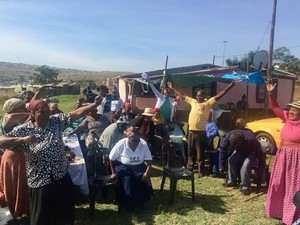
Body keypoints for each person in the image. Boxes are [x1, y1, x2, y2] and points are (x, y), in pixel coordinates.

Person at [0, 96, 103, 225]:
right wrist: (22, 140)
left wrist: (94, 104)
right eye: (41, 113)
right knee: (42, 217)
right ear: (32, 113)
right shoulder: (24, 130)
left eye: (47, 112)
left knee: (64, 215)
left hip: (61, 177)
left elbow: (76, 113)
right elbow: (1, 141)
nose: (45, 116)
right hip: (40, 182)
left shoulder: (56, 121)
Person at [168, 80, 238, 177]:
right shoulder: (192, 101)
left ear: (204, 96)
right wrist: (172, 88)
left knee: (200, 152)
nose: (199, 97)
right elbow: (182, 95)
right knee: (190, 150)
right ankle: (190, 167)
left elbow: (220, 95)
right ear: (196, 96)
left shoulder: (208, 103)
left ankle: (201, 171)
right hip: (191, 131)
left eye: (201, 95)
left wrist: (230, 86)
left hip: (201, 132)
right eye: (198, 95)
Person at [265, 78, 300, 225]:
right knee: (278, 183)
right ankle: (276, 210)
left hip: (297, 159)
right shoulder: (286, 117)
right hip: (283, 156)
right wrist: (270, 94)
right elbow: (275, 107)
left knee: (294, 186)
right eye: (290, 108)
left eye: (295, 109)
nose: (291, 111)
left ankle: (291, 214)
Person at [108, 126, 154, 211]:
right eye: (133, 141)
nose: (135, 143)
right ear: (128, 138)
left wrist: (146, 173)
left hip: (139, 166)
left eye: (137, 141)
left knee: (142, 178)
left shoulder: (143, 143)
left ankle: (141, 202)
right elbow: (111, 158)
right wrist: (113, 173)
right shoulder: (121, 143)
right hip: (123, 166)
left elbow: (149, 160)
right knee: (128, 179)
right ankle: (128, 204)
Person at [0, 98, 30, 217]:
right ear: (15, 109)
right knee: (17, 184)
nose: (24, 109)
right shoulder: (9, 118)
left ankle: (22, 207)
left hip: (16, 155)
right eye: (22, 107)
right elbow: (13, 117)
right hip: (15, 157)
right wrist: (32, 113)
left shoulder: (13, 118)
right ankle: (16, 208)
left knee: (19, 184)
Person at [218, 130, 265, 195]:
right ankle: (232, 182)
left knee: (245, 165)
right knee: (231, 160)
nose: (235, 146)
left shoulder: (251, 140)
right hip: (239, 151)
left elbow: (260, 153)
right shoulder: (229, 136)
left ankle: (245, 187)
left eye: (236, 145)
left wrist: (262, 166)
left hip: (251, 152)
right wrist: (221, 166)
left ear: (241, 141)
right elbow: (222, 150)